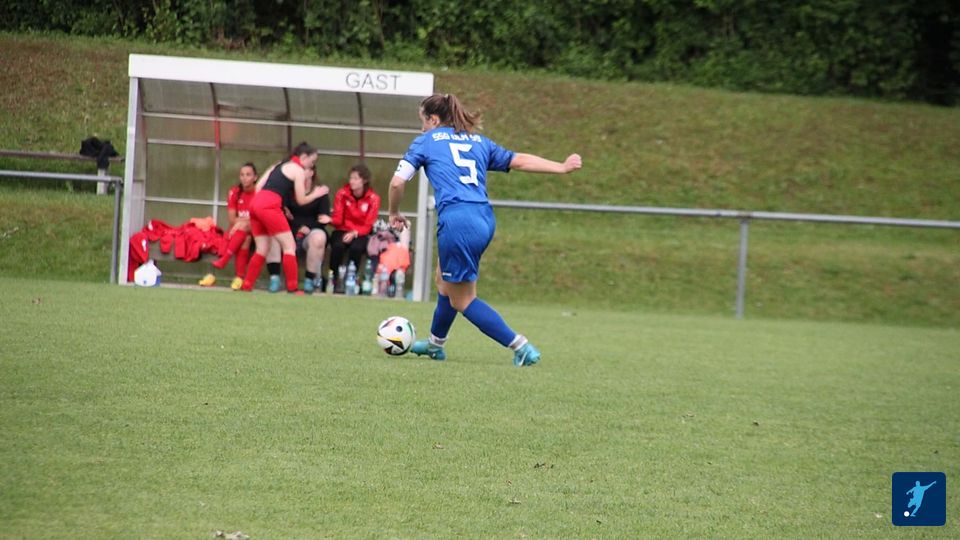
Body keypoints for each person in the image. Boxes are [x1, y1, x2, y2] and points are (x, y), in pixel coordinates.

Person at [388, 93, 581, 366]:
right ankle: (434, 345)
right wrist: (560, 167)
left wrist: (394, 212)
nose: (422, 127)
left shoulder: (426, 141)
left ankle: (520, 347)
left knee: (463, 299)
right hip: (482, 218)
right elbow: (519, 160)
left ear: (433, 119)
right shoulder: (478, 141)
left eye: (423, 121)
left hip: (457, 222)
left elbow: (397, 183)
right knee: (444, 279)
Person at [239, 142, 327, 293]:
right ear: (304, 157)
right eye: (312, 161)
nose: (311, 165)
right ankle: (292, 288)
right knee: (289, 246)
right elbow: (301, 200)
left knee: (262, 248)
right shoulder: (298, 170)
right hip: (270, 206)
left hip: (255, 204)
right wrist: (316, 194)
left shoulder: (280, 164)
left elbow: (258, 187)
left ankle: (247, 285)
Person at [200, 162, 258, 289]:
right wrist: (244, 222)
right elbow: (232, 219)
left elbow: (259, 218)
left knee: (244, 228)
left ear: (255, 177)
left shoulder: (259, 193)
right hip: (241, 232)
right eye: (242, 175)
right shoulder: (234, 192)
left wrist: (243, 222)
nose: (244, 178)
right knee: (246, 238)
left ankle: (225, 260)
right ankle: (239, 278)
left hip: (258, 231)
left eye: (248, 175)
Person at [328, 163, 380, 292]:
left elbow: (369, 224)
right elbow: (338, 219)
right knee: (338, 246)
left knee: (356, 248)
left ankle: (352, 280)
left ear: (364, 180)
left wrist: (355, 233)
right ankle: (334, 279)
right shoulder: (342, 194)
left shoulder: (373, 198)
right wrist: (329, 220)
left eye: (356, 178)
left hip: (361, 232)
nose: (352, 181)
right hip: (342, 229)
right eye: (351, 178)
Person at [286, 166, 331, 293]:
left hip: (312, 231)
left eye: (304, 169)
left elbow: (323, 218)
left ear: (311, 173)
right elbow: (285, 214)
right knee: (272, 233)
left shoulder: (320, 193)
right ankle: (276, 278)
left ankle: (310, 279)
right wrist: (298, 227)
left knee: (319, 238)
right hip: (290, 231)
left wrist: (309, 228)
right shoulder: (289, 192)